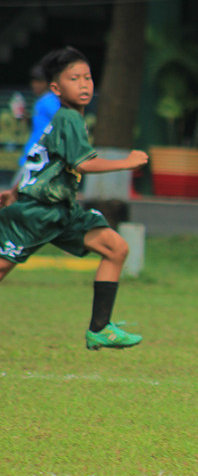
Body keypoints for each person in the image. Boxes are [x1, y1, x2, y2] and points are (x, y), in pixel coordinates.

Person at [0, 47, 148, 350]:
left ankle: (99, 328)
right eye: (73, 78)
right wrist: (127, 162)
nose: (84, 84)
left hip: (61, 210)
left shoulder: (65, 120)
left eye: (88, 78)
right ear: (56, 88)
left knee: (115, 248)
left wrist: (13, 191)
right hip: (37, 212)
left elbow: (38, 158)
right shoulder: (68, 119)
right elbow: (83, 164)